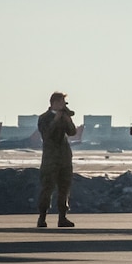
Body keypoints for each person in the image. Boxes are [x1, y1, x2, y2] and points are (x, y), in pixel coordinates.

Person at [36, 92, 80, 229]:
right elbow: (47, 135)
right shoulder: (44, 118)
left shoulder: (64, 117)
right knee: (47, 188)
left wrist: (66, 119)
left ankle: (63, 217)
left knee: (64, 189)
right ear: (54, 102)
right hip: (50, 159)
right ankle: (42, 218)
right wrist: (56, 120)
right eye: (61, 102)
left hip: (65, 159)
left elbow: (72, 132)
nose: (63, 105)